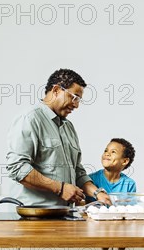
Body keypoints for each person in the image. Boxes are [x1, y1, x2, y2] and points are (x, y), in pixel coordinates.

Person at [6, 69, 111, 206]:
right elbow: (17, 167)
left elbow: (78, 171)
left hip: (64, 214)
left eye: (79, 100)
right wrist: (60, 188)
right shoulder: (29, 119)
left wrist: (98, 194)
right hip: (32, 217)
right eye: (74, 97)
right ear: (56, 90)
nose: (76, 105)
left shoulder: (68, 127)